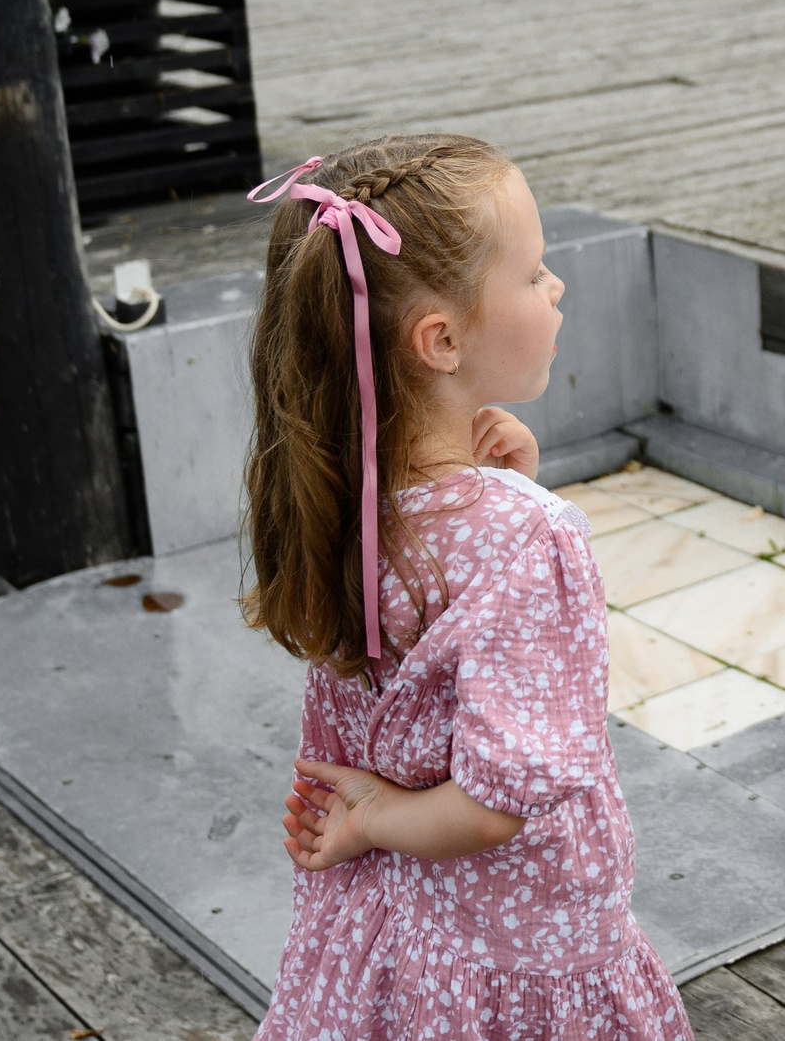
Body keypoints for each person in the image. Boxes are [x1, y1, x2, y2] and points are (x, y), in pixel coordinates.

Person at [242, 137, 689, 1039]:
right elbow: (494, 804)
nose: (555, 287)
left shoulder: (339, 500)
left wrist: (512, 483)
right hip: (522, 952)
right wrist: (376, 816)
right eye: (531, 273)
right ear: (440, 339)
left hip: (408, 955)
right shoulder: (530, 539)